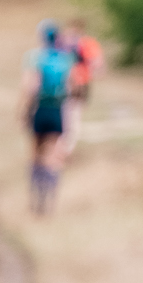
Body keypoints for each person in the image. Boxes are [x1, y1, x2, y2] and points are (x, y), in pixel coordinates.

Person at [23, 22, 76, 215]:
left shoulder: (36, 58)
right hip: (57, 109)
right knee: (53, 155)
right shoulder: (65, 59)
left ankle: (36, 197)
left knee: (36, 154)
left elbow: (31, 86)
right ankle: (51, 199)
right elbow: (72, 87)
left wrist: (25, 111)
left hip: (40, 109)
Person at [61, 20, 103, 161]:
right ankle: (67, 146)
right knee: (74, 114)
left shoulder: (66, 43)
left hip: (70, 81)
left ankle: (65, 145)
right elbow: (97, 63)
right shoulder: (87, 43)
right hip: (80, 81)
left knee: (69, 112)